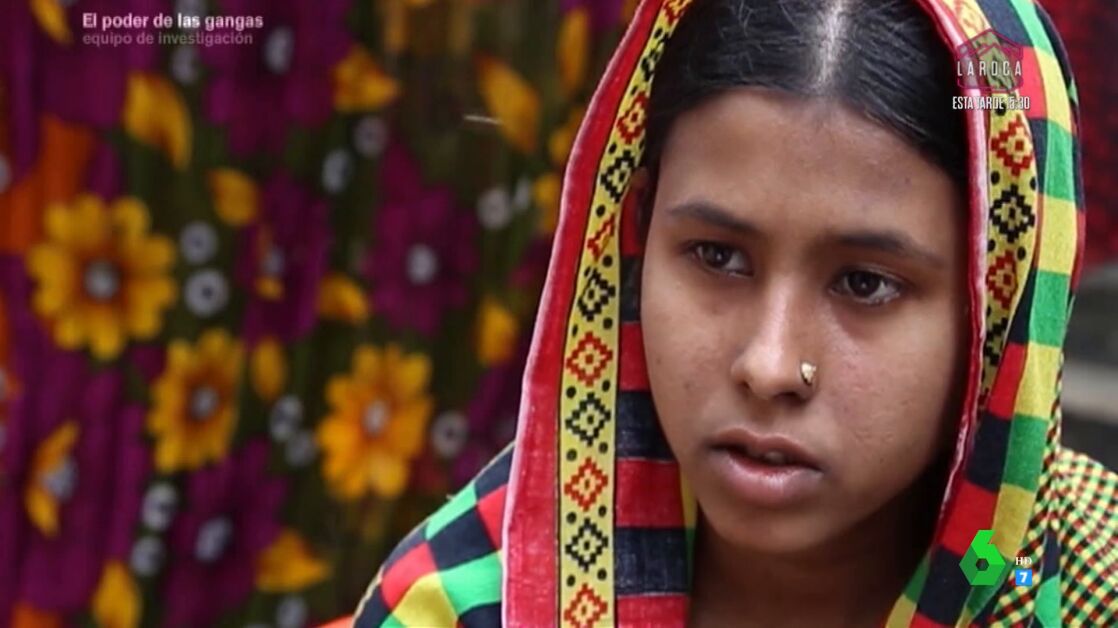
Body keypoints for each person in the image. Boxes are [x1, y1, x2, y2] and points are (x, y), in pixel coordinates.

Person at [353, 0, 1118, 625]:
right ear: (636, 231)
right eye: (717, 257)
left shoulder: (1089, 589)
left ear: (997, 311)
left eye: (865, 283)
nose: (770, 366)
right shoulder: (470, 606)